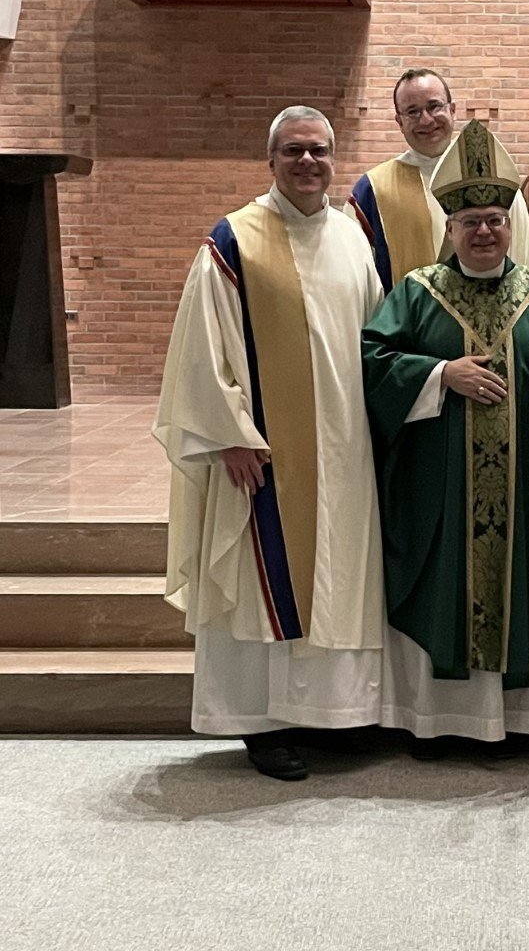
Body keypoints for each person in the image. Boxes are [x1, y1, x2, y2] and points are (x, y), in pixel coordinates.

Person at [154, 106, 385, 781]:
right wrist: (229, 434)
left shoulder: (349, 237)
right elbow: (204, 347)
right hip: (263, 455)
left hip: (344, 449)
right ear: (271, 160)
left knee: (335, 574)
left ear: (334, 159)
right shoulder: (235, 241)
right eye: (293, 151)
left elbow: (375, 340)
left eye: (319, 150)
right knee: (262, 585)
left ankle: (324, 717)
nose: (308, 162)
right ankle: (259, 723)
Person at [362, 119, 529, 755]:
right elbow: (372, 359)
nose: (484, 231)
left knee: (524, 585)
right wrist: (438, 373)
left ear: (511, 225)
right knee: (447, 588)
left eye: (495, 218)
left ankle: (522, 722)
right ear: (451, 228)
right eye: (471, 222)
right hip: (441, 484)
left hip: (526, 490)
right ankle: (440, 721)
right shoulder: (417, 291)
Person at [346, 67, 529, 291]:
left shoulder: (492, 176)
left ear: (453, 110)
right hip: (411, 324)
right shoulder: (373, 191)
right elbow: (358, 283)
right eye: (413, 112)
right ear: (399, 122)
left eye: (434, 106)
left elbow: (527, 260)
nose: (426, 120)